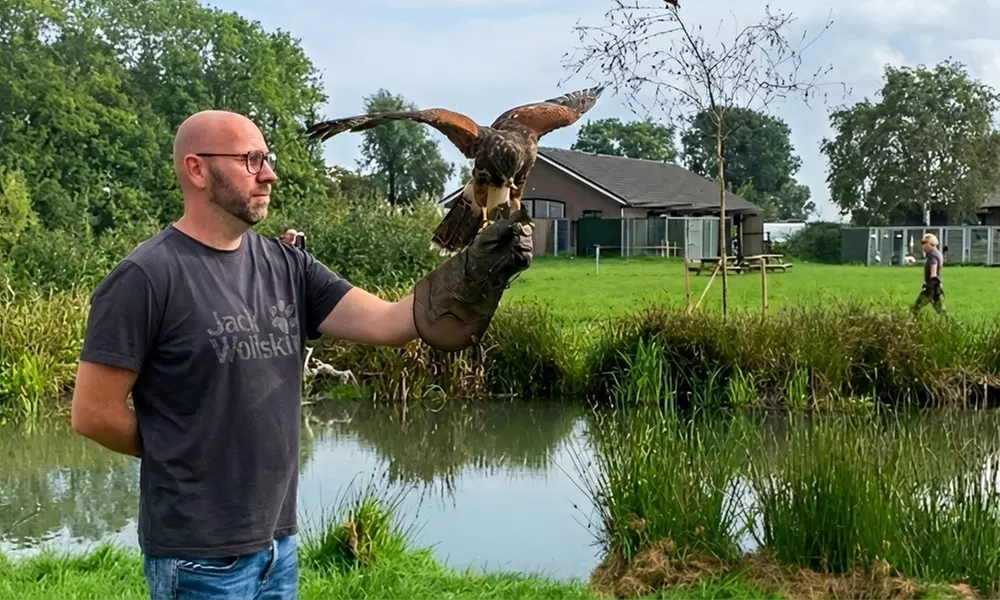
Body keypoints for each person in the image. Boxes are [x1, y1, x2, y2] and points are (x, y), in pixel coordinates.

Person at [69, 109, 532, 599]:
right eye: (250, 160)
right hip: (198, 556)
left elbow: (388, 322)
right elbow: (92, 414)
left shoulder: (288, 266)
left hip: (277, 546)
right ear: (197, 169)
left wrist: (477, 267)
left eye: (266, 158)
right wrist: (182, 449)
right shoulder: (146, 278)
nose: (268, 173)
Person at [911, 232, 946, 316]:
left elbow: (933, 273)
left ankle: (916, 325)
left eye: (924, 243)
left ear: (931, 244)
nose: (922, 246)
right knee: (940, 311)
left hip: (931, 288)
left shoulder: (933, 256)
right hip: (936, 287)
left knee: (915, 309)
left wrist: (929, 287)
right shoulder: (937, 254)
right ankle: (951, 325)